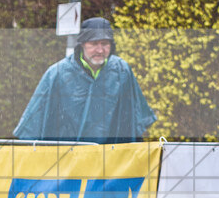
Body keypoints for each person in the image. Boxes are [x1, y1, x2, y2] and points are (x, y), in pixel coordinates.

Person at [13, 17, 156, 144]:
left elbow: (134, 117)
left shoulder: (121, 71)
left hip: (111, 161)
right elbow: (35, 121)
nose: (100, 50)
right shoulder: (57, 74)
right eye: (94, 44)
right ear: (82, 44)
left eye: (105, 44)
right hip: (69, 161)